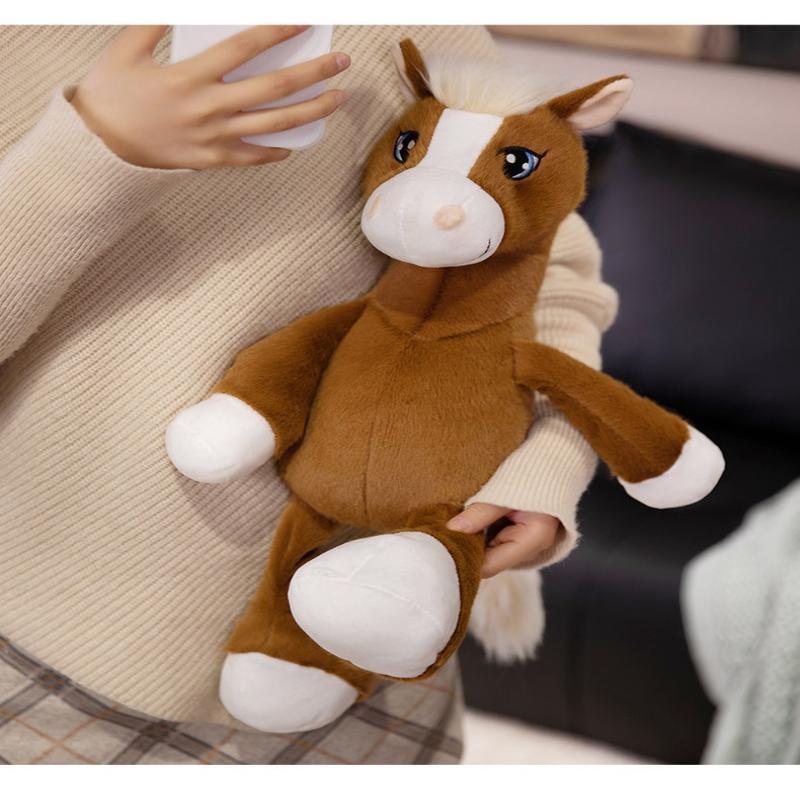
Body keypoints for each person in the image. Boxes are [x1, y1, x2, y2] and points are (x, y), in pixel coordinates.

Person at [0, 25, 617, 764]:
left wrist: (547, 465)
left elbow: (546, 266)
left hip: (364, 617)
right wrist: (91, 151)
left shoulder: (420, 27)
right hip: (34, 629)